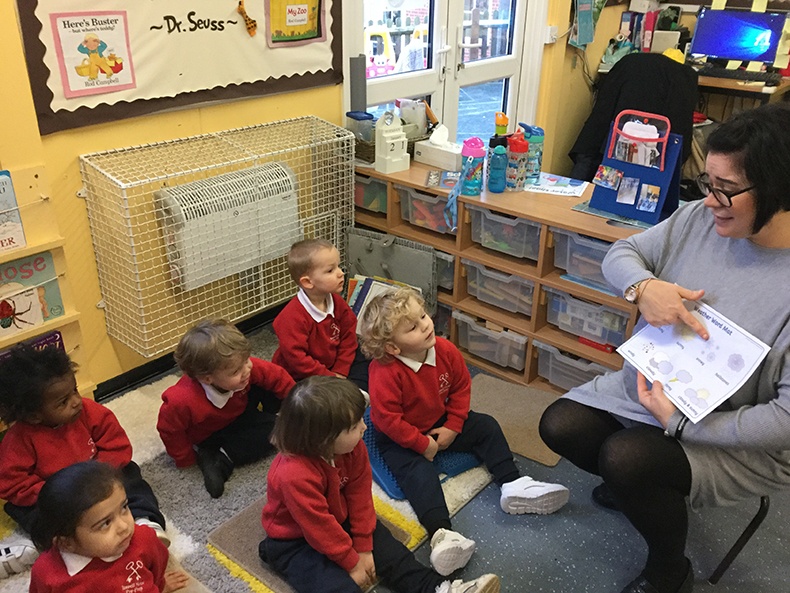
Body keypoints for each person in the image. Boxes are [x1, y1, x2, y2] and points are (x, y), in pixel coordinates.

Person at [539, 102, 790, 593]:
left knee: (627, 459)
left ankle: (669, 571)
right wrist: (643, 288)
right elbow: (623, 252)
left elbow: (784, 421)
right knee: (560, 425)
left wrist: (681, 424)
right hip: (659, 389)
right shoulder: (699, 218)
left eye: (726, 189)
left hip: (735, 433)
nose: (710, 200)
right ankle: (645, 493)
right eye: (707, 183)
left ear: (779, 189)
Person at [357, 287, 569, 576]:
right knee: (418, 475)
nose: (426, 325)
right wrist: (422, 445)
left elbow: (460, 387)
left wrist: (453, 427)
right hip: (401, 436)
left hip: (440, 420)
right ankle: (442, 534)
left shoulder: (444, 350)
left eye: (423, 316)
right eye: (413, 327)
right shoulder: (384, 372)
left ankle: (513, 484)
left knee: (486, 426)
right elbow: (388, 421)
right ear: (393, 348)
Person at [259, 375, 501, 593]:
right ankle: (272, 553)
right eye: (354, 426)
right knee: (336, 586)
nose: (365, 427)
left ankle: (439, 589)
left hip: (338, 518)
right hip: (293, 541)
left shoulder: (353, 448)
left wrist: (363, 547)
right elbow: (318, 527)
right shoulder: (293, 475)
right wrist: (352, 563)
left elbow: (360, 497)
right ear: (323, 439)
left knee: (393, 555)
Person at [0, 345, 168, 579]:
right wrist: (54, 495)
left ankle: (145, 523)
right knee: (28, 511)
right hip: (59, 497)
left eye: (75, 391)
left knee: (130, 476)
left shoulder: (90, 412)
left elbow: (116, 445)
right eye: (63, 402)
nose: (76, 401)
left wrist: (99, 478)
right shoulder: (18, 440)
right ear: (33, 416)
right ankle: (47, 547)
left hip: (100, 479)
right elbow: (12, 483)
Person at [157, 318, 295, 498]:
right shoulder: (181, 400)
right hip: (209, 435)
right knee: (273, 433)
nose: (247, 368)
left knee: (281, 425)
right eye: (236, 371)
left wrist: (299, 406)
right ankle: (220, 458)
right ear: (207, 379)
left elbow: (278, 377)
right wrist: (185, 458)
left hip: (239, 412)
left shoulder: (245, 369)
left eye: (246, 360)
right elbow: (169, 430)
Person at [28, 461, 189, 593]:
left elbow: (157, 563)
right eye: (105, 523)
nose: (124, 526)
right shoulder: (47, 574)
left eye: (124, 507)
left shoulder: (144, 539)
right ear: (66, 543)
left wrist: (160, 585)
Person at [271, 238, 369, 391]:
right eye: (330, 271)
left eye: (338, 266)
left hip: (332, 364)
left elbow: (349, 337)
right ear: (308, 282)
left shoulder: (337, 302)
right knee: (305, 398)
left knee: (369, 358)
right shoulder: (290, 318)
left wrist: (340, 371)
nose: (341, 273)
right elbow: (298, 360)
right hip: (301, 375)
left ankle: (353, 393)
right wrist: (330, 378)